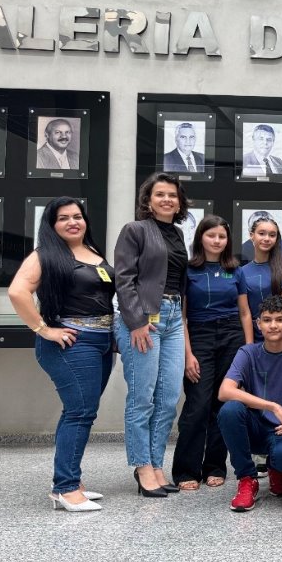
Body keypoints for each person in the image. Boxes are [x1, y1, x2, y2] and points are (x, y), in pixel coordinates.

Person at [8, 198, 114, 512]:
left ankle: (70, 481)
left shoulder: (92, 252)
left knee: (80, 412)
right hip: (71, 344)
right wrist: (44, 329)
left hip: (102, 342)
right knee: (80, 412)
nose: (72, 222)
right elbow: (17, 291)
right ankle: (65, 488)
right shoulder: (45, 255)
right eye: (63, 218)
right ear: (52, 224)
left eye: (77, 216)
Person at [114, 172, 190, 497]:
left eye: (173, 195)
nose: (167, 200)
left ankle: (157, 465)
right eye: (160, 194)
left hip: (172, 320)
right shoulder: (135, 230)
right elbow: (124, 278)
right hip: (143, 319)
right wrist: (136, 322)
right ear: (148, 200)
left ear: (180, 203)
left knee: (169, 398)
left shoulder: (178, 233)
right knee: (142, 397)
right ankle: (142, 465)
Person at [218, 296, 282, 512]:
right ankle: (247, 478)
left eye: (280, 320)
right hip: (256, 428)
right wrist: (273, 406)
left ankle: (277, 469)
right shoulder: (248, 353)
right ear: (258, 324)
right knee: (229, 410)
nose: (273, 325)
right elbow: (225, 391)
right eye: (267, 320)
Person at [172, 215, 244, 490]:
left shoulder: (235, 270)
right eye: (211, 235)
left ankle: (215, 466)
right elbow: (181, 317)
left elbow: (245, 313)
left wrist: (247, 352)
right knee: (197, 405)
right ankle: (185, 470)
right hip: (199, 336)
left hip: (232, 336)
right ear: (200, 237)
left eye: (222, 236)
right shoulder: (188, 270)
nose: (217, 240)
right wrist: (187, 354)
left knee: (222, 404)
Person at [237, 215, 282, 343]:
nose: (267, 239)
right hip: (256, 338)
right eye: (261, 233)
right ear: (252, 235)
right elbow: (245, 312)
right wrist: (249, 345)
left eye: (272, 235)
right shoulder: (242, 272)